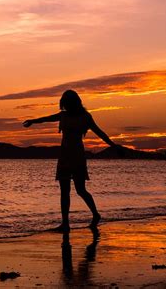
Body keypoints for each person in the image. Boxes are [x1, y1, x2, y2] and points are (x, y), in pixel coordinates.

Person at [23, 90, 122, 231]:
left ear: (74, 102)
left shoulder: (86, 117)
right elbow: (47, 118)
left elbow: (100, 132)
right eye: (64, 103)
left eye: (67, 102)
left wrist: (114, 146)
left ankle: (95, 214)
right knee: (64, 191)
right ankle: (65, 223)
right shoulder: (63, 115)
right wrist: (33, 121)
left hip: (77, 157)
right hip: (64, 156)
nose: (65, 105)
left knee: (80, 190)